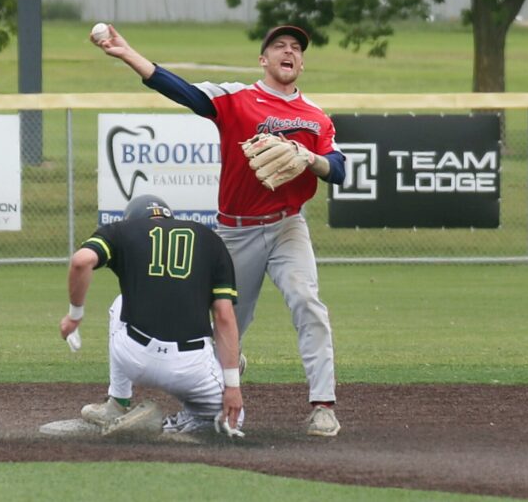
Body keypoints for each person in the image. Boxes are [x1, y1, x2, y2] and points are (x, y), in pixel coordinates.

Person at [91, 24, 346, 437]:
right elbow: (178, 88)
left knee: (308, 302)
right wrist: (127, 54)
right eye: (279, 45)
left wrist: (307, 157)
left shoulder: (315, 118)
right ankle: (204, 404)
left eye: (296, 48)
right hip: (236, 232)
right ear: (263, 60)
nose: (289, 51)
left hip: (287, 226)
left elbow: (339, 169)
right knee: (222, 325)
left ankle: (322, 405)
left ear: (301, 61)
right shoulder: (235, 99)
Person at [60, 194, 244, 438]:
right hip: (190, 368)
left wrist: (74, 316)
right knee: (231, 421)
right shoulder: (209, 239)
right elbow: (224, 316)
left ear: (132, 218)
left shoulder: (121, 230)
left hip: (133, 357)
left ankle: (117, 404)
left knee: (121, 303)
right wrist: (232, 385)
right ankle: (186, 427)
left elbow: (81, 261)